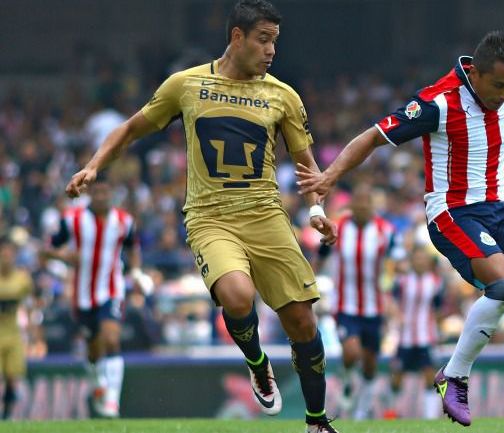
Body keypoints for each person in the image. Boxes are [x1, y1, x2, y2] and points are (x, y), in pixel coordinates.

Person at [296, 31, 504, 426]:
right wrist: (330, 177)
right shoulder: (438, 103)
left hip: (499, 207)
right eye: (499, 85)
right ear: (476, 75)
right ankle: (455, 375)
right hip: (453, 213)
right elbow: (373, 137)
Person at [64, 2, 340, 431]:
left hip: (266, 216)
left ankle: (317, 421)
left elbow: (307, 165)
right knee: (236, 296)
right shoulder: (187, 85)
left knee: (302, 322)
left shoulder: (283, 95)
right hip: (211, 218)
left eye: (275, 42)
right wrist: (95, 165)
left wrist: (317, 209)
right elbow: (132, 127)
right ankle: (257, 361)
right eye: (263, 40)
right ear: (237, 37)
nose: (271, 51)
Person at [43, 177, 142, 418]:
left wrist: (137, 272)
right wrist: (65, 257)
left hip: (111, 289)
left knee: (111, 339)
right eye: (96, 193)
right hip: (83, 294)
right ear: (90, 195)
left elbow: (133, 248)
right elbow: (48, 248)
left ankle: (111, 401)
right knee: (94, 351)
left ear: (111, 194)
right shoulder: (72, 220)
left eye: (105, 192)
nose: (101, 197)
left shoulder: (124, 221)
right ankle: (98, 385)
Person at [313, 183, 397, 420]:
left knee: (370, 363)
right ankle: (348, 379)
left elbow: (397, 260)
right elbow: (321, 256)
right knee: (351, 352)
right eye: (357, 201)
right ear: (351, 205)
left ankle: (363, 409)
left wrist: (392, 284)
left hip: (374, 306)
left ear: (372, 205)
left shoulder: (385, 231)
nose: (361, 206)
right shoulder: (338, 228)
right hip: (345, 305)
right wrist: (310, 280)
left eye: (366, 202)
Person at [387, 246, 444, 419]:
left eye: (423, 258)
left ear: (428, 262)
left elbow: (439, 308)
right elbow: (392, 302)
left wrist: (436, 328)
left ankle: (430, 417)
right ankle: (392, 412)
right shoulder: (402, 281)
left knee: (429, 375)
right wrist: (397, 316)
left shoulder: (436, 282)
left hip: (426, 337)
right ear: (412, 261)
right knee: (397, 377)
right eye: (417, 258)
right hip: (405, 338)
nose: (420, 261)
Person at [0, 238, 33, 420]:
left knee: (13, 376)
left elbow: (29, 305)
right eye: (3, 252)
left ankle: (7, 415)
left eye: (9, 252)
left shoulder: (22, 279)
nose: (6, 256)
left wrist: (33, 332)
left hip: (13, 332)